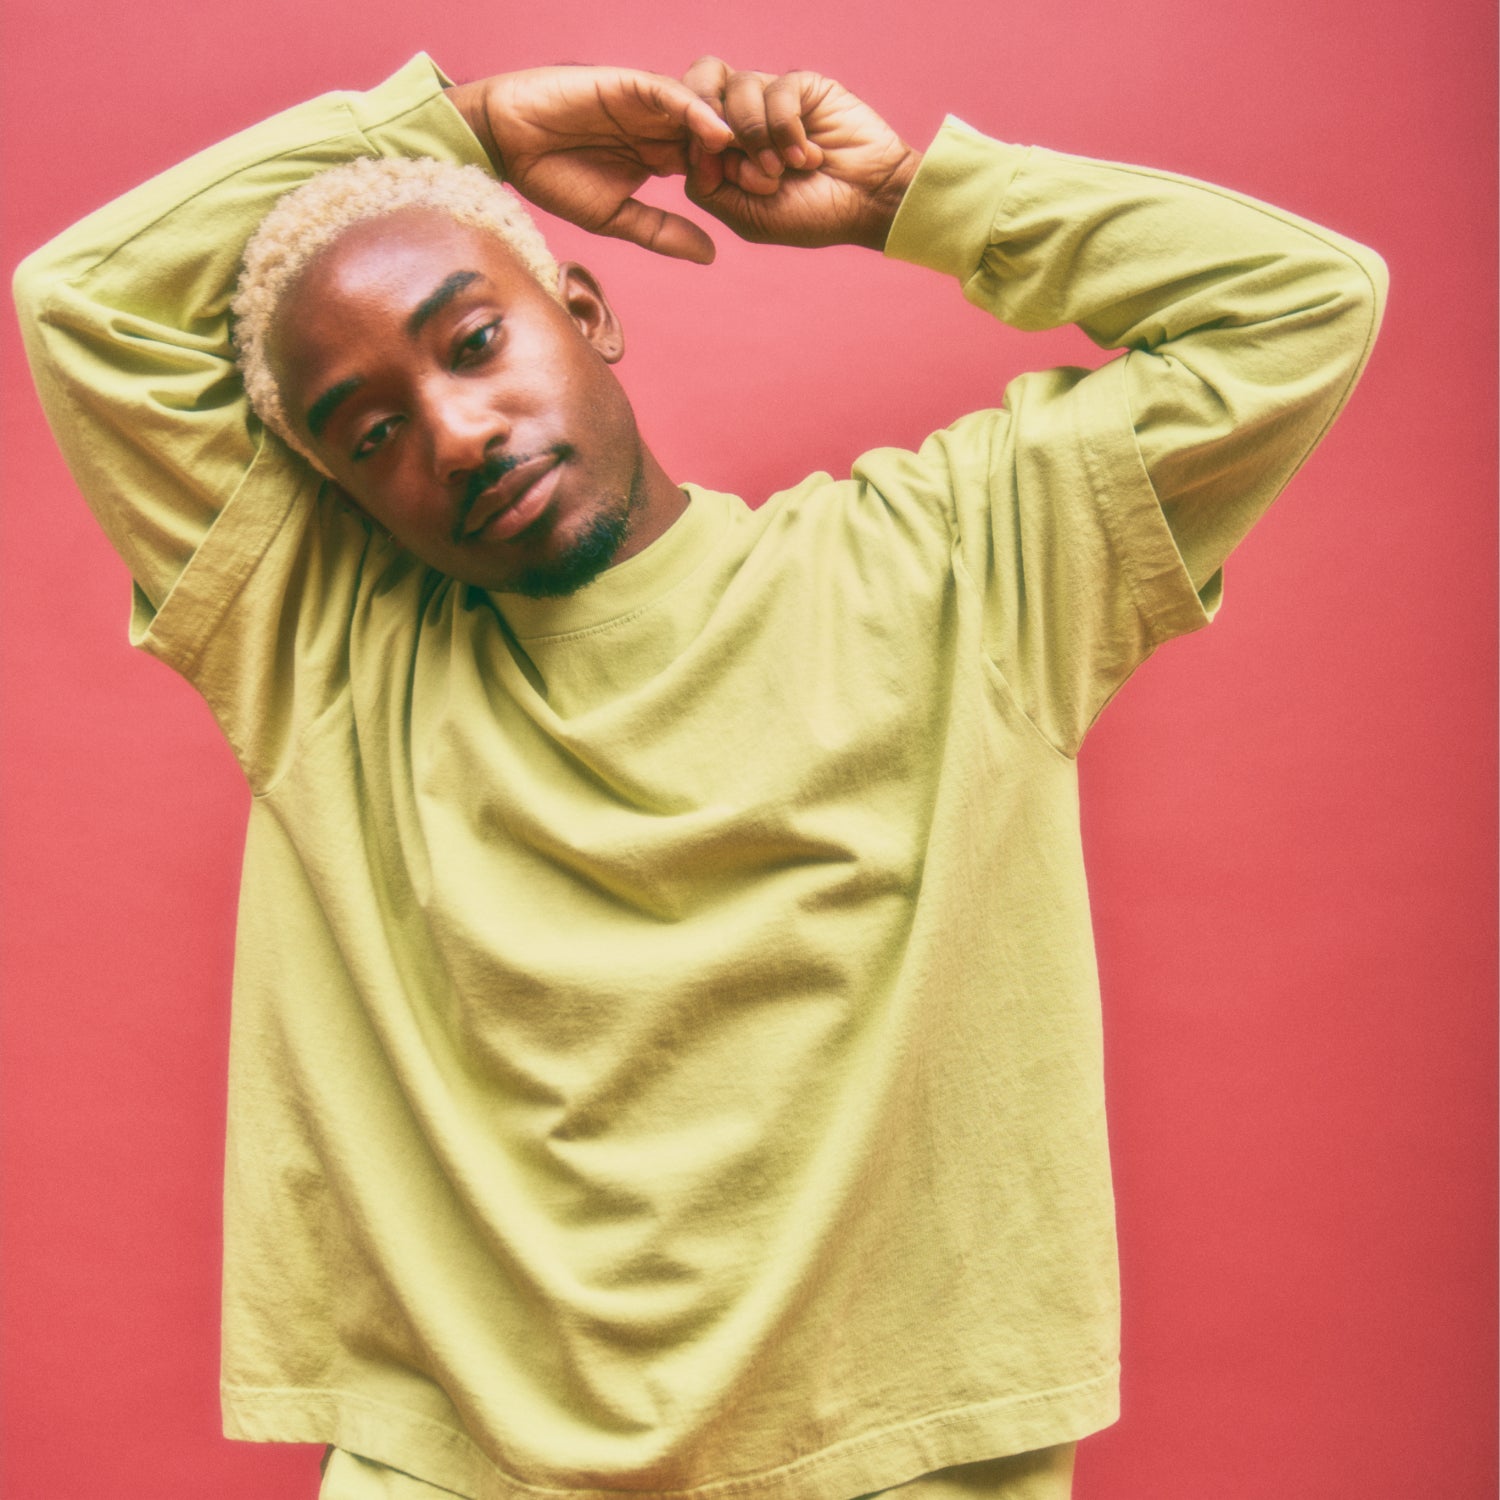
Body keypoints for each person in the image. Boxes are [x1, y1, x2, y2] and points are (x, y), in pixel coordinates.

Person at [11, 50, 1387, 1500]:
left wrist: (916, 201)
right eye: (373, 433)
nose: (457, 433)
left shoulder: (968, 568)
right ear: (337, 492)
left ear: (588, 311)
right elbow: (77, 304)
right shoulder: (320, 646)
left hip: (894, 1463)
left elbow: (1306, 307)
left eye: (474, 342)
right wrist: (457, 125)